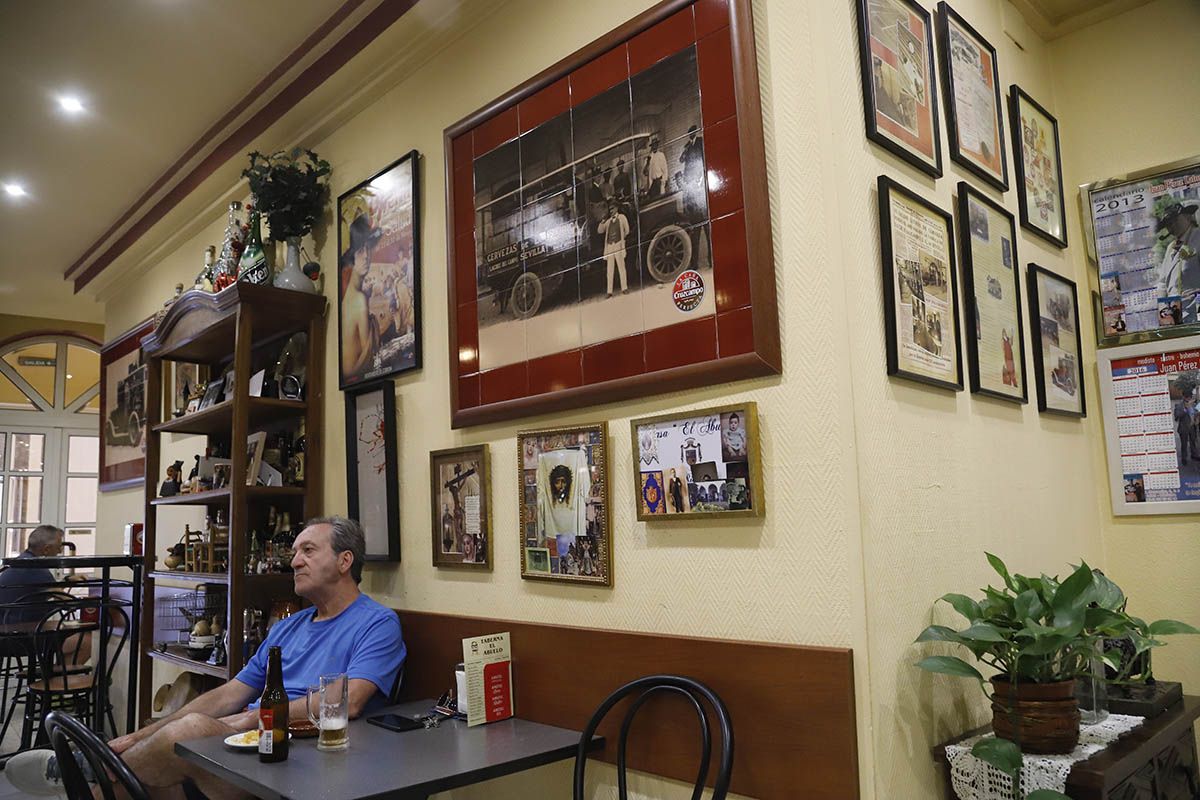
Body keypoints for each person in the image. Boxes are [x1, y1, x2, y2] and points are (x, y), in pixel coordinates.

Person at [8, 516, 406, 800]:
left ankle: (80, 772)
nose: (294, 560)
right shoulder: (289, 625)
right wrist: (143, 734)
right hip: (247, 747)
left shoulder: (377, 623)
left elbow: (348, 701)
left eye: (308, 550)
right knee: (154, 774)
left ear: (344, 561)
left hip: (303, 758)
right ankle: (95, 769)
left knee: (190, 731)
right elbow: (231, 691)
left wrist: (253, 717)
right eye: (295, 551)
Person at [340, 215, 383, 383]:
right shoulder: (359, 300)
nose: (366, 256)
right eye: (359, 251)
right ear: (352, 257)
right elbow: (370, 360)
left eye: (368, 249)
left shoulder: (349, 298)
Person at [0, 525, 66, 624]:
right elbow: (64, 599)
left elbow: (44, 592)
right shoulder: (37, 569)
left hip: (6, 623)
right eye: (58, 547)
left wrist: (66, 582)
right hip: (22, 628)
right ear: (46, 549)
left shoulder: (21, 561)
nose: (60, 551)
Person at [597, 199, 630, 298]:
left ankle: (624, 288)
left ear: (616, 208)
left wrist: (621, 239)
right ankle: (609, 291)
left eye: (612, 209)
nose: (610, 211)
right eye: (609, 209)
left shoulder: (622, 218)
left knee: (621, 267)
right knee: (610, 269)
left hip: (618, 245)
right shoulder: (608, 221)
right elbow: (600, 231)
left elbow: (627, 230)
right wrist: (602, 221)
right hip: (610, 247)